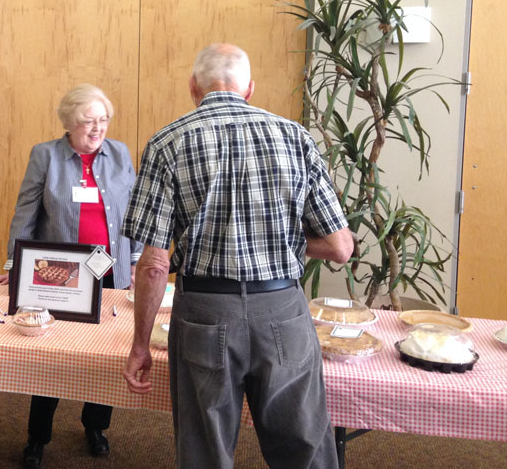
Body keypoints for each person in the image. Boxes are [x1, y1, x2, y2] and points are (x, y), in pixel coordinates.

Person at [121, 44, 354, 469]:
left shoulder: (167, 143)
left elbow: (155, 265)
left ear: (194, 87)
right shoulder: (295, 137)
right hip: (283, 311)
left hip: (204, 315)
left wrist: (140, 345)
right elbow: (340, 246)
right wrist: (282, 244)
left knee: (205, 453)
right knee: (305, 448)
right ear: (249, 89)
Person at [0, 84, 142, 469]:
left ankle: (96, 426)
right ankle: (37, 437)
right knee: (51, 354)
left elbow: (136, 210)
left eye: (103, 120)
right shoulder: (46, 156)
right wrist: (15, 265)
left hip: (109, 269)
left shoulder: (120, 153)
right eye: (88, 121)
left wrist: (138, 258)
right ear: (69, 123)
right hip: (61, 273)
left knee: (106, 352)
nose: (97, 128)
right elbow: (25, 212)